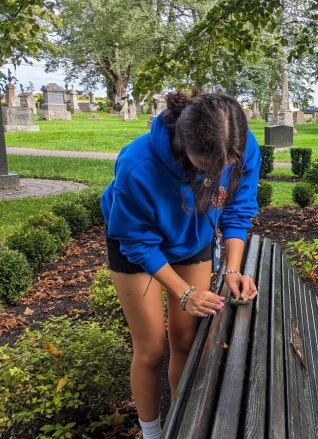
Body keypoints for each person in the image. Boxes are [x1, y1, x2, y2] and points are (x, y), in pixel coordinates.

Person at [101, 92, 261, 438]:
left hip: (193, 235)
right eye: (212, 168)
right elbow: (137, 240)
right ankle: (153, 432)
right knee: (151, 347)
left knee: (186, 338)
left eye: (228, 166)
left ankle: (180, 424)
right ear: (185, 146)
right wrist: (184, 291)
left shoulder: (242, 147)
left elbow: (237, 210)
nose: (223, 173)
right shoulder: (137, 164)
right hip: (137, 242)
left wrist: (232, 270)